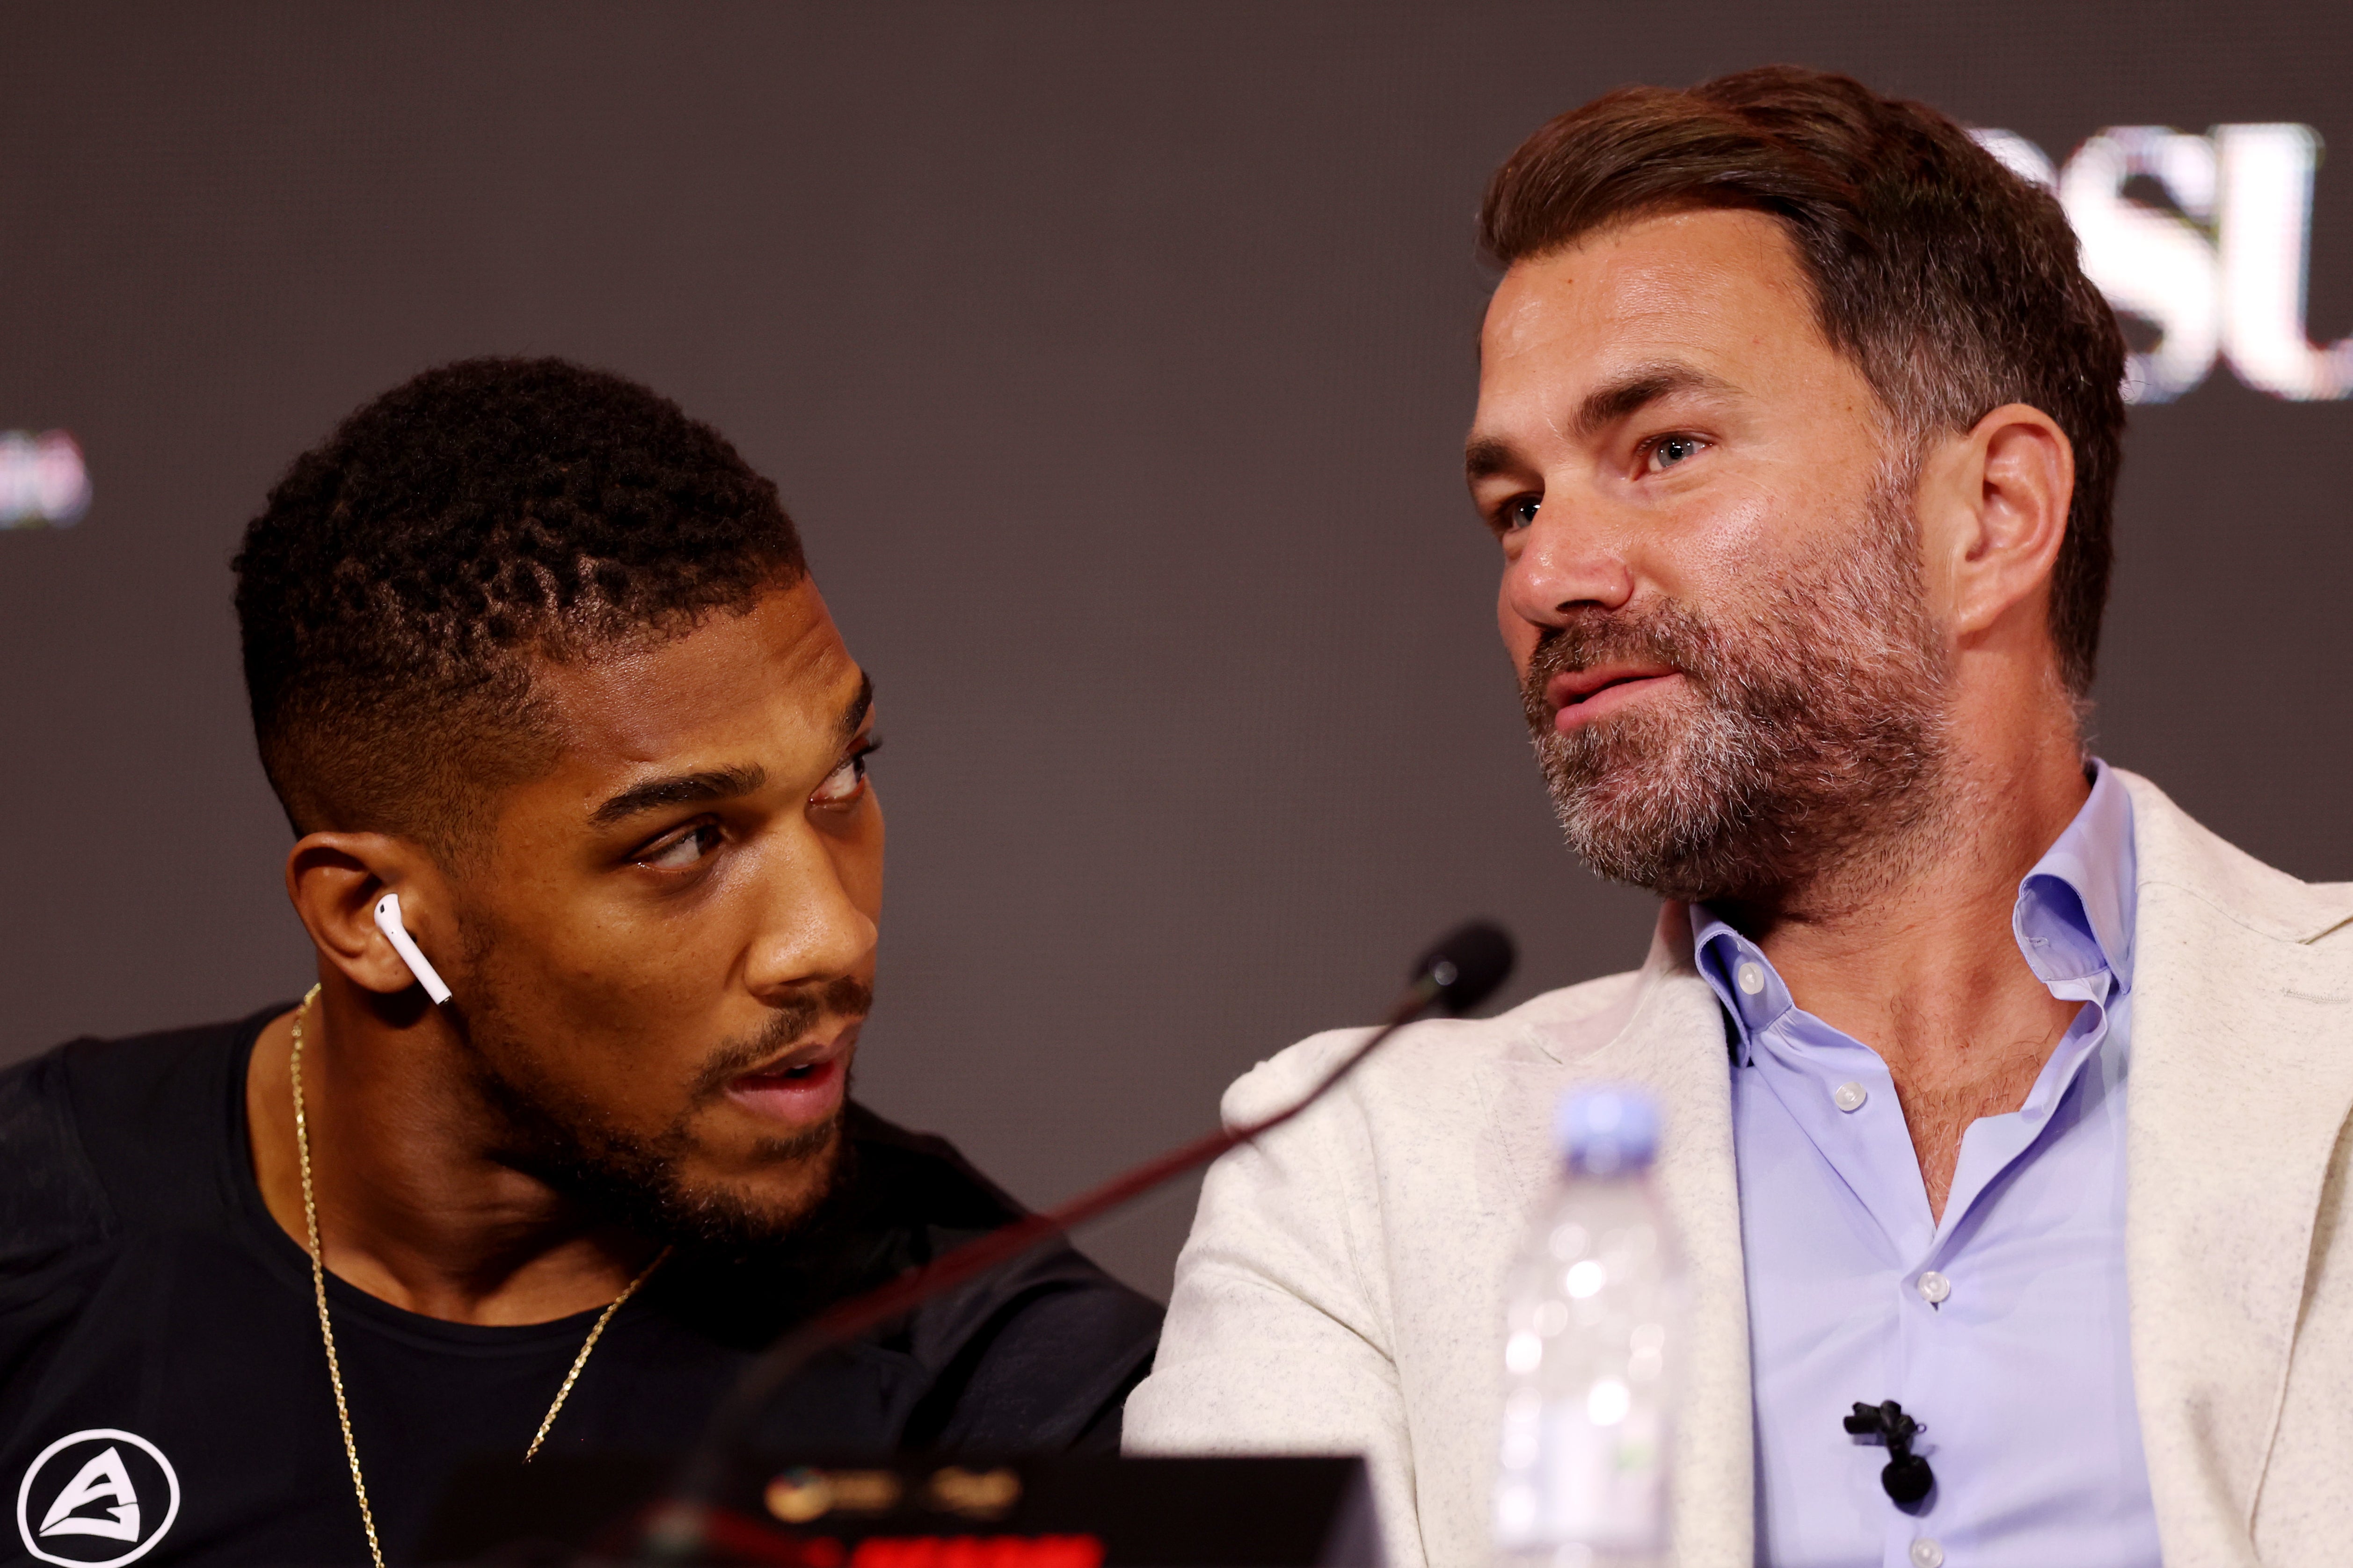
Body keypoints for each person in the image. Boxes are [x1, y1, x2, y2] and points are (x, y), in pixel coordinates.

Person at [1125, 66, 2353, 1568]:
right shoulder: (1351, 1175)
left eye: (1667, 451)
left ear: (1993, 516)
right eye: (1516, 505)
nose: (1547, 577)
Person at [0, 359, 1160, 1568]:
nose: (835, 937)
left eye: (844, 780)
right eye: (685, 843)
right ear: (374, 917)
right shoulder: (37, 1239)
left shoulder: (991, 1387)